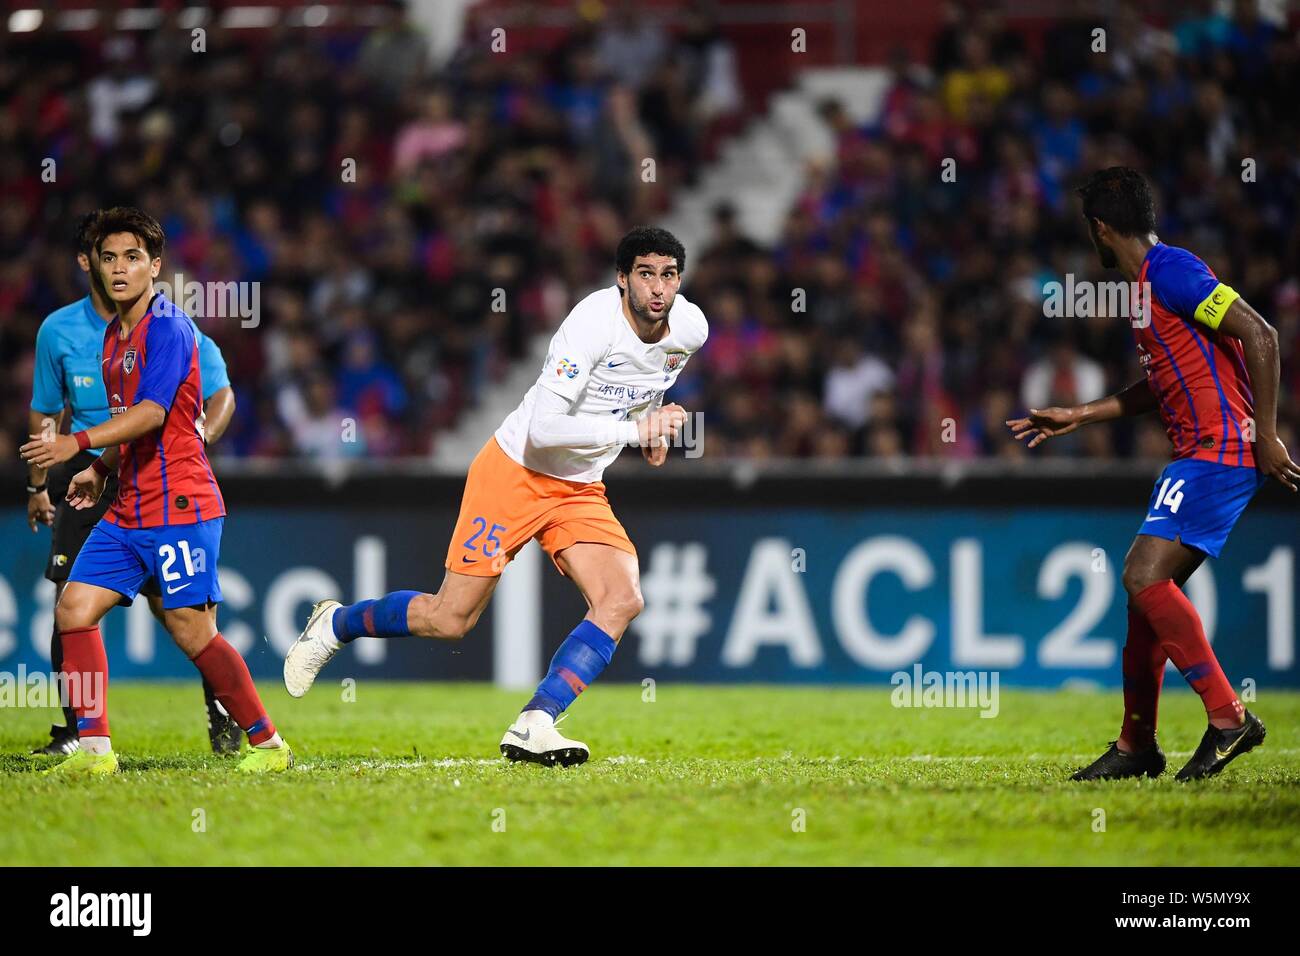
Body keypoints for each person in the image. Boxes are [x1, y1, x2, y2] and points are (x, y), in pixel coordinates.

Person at [283, 226, 707, 766]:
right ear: (622, 279)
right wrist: (633, 434)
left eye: (668, 275)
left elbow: (651, 378)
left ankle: (535, 722)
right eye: (645, 274)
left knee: (622, 598)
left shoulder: (690, 329)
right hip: (515, 471)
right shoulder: (590, 325)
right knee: (450, 618)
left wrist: (647, 419)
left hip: (578, 488)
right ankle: (336, 624)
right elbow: (545, 431)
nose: (657, 289)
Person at [1008, 167, 1299, 781]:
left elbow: (1260, 331)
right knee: (1146, 601)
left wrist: (1266, 434)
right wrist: (1081, 415)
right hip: (1201, 450)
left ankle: (1228, 718)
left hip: (1220, 448)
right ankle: (1136, 746)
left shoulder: (1172, 271)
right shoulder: (1148, 288)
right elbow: (1160, 384)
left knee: (1141, 575)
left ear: (1101, 228)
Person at [20, 207, 291, 776]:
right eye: (110, 258)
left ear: (155, 266)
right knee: (73, 608)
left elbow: (150, 413)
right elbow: (131, 423)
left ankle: (268, 745)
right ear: (94, 265)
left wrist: (77, 445)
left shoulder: (169, 327)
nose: (119, 269)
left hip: (180, 505)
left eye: (133, 258)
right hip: (128, 505)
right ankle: (94, 753)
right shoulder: (113, 339)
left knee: (192, 630)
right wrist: (100, 467)